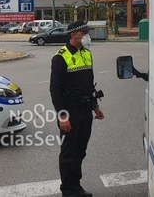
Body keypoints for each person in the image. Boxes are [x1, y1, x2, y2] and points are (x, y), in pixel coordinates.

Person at [50, 20, 105, 197]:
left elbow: (88, 83)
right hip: (70, 111)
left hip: (85, 110)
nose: (87, 36)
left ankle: (76, 186)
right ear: (74, 34)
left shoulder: (87, 53)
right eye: (84, 33)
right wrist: (62, 116)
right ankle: (68, 190)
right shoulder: (60, 57)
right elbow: (55, 89)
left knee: (80, 151)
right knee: (68, 153)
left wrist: (95, 106)